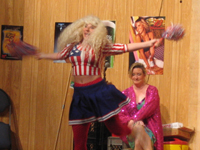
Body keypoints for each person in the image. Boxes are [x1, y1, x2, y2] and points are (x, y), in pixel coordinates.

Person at [35, 15, 160, 150]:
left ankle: (137, 134)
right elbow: (59, 55)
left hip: (97, 91)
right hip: (79, 94)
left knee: (117, 129)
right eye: (86, 26)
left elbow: (125, 47)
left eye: (92, 27)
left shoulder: (100, 46)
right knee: (79, 140)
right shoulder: (72, 47)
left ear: (98, 31)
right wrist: (42, 55)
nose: (88, 29)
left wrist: (149, 43)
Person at [118, 62, 163, 150]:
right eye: (133, 74)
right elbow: (120, 114)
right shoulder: (125, 93)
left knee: (138, 139)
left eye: (139, 74)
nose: (136, 77)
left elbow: (149, 107)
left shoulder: (152, 90)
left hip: (150, 128)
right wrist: (131, 121)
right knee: (138, 128)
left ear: (144, 75)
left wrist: (135, 119)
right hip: (131, 130)